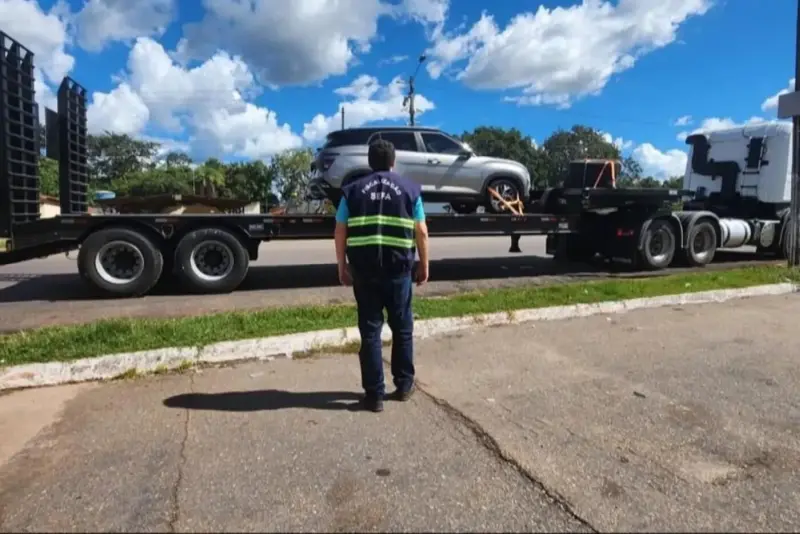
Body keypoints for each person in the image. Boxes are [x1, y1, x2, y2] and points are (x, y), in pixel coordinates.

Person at [333, 138, 429, 413]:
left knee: (371, 332)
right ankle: (404, 385)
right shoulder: (410, 190)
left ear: (370, 162)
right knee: (402, 329)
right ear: (393, 162)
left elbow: (340, 230)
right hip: (399, 271)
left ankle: (374, 395)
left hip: (364, 272)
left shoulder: (352, 191)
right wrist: (424, 264)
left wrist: (341, 266)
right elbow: (421, 231)